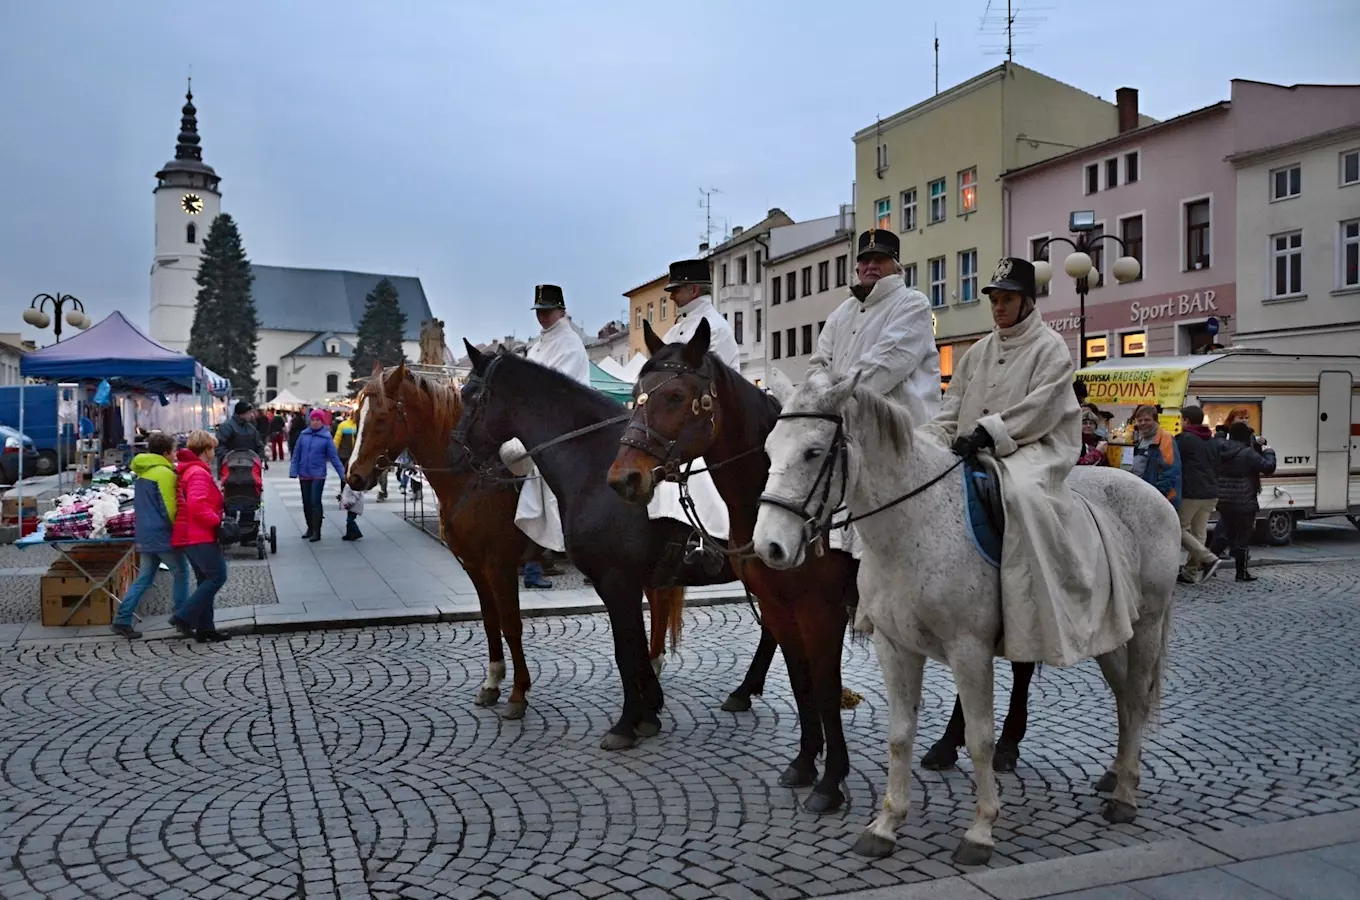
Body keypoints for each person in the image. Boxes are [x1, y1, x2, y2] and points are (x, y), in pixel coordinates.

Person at [923, 257, 1140, 666]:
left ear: (1026, 302)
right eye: (995, 300)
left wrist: (990, 431)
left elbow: (1039, 410)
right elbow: (951, 407)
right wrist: (926, 441)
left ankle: (1042, 602)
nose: (999, 307)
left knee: (1021, 493)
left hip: (1036, 448)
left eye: (1007, 299)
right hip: (978, 446)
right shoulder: (978, 351)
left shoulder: (1051, 347)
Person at [505, 284, 592, 589]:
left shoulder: (569, 344)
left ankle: (537, 562)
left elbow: (557, 393)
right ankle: (527, 562)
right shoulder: (539, 344)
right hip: (536, 426)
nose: (542, 317)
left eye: (547, 311)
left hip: (563, 429)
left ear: (561, 310)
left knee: (540, 487)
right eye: (539, 311)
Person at [809, 229, 941, 425]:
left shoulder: (913, 303)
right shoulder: (841, 312)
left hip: (901, 432)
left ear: (896, 267)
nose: (870, 266)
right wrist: (822, 398)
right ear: (857, 269)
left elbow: (885, 364)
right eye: (865, 260)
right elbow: (819, 364)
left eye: (879, 259)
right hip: (847, 428)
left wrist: (833, 399)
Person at [111, 433, 191, 639]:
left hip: (145, 534)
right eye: (173, 452)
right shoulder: (165, 474)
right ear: (165, 453)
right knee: (181, 574)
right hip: (163, 535)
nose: (175, 456)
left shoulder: (142, 473)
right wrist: (181, 533)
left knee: (144, 578)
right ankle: (182, 618)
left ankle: (122, 619)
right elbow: (170, 508)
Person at [171, 430, 230, 643]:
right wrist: (216, 521)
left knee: (205, 579)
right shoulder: (198, 472)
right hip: (198, 535)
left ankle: (206, 630)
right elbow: (197, 505)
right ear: (206, 450)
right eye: (213, 448)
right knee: (217, 575)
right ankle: (184, 616)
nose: (214, 452)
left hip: (191, 535)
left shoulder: (191, 470)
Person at [1217, 421, 1276, 582]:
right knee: (1243, 535)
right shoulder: (1248, 453)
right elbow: (1268, 467)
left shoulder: (1221, 448)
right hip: (1244, 500)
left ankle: (1208, 564)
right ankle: (1241, 573)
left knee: (1225, 533)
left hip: (1223, 498)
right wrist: (1268, 451)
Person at [661, 258, 741, 365]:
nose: (671, 297)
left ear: (694, 290)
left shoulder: (716, 329)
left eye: (676, 291)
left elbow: (711, 378)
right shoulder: (672, 333)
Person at [1175, 405, 1222, 584]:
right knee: (1199, 532)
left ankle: (1208, 558)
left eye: (1181, 419)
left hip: (1192, 491)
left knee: (1179, 529)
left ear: (1186, 420)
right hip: (1211, 492)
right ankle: (1190, 572)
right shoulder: (1212, 440)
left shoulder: (1185, 439)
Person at [290, 409, 346, 541]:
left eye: (318, 420)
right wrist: (293, 470)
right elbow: (296, 454)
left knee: (315, 501)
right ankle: (309, 527)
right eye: (313, 420)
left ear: (322, 422)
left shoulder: (326, 438)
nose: (315, 423)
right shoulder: (303, 435)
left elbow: (334, 458)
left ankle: (317, 530)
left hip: (318, 474)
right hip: (304, 473)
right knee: (306, 502)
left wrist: (342, 474)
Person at [1130, 405, 1181, 508]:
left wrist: (1158, 495)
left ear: (1156, 421)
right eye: (1140, 421)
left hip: (1157, 498)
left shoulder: (1165, 438)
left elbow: (1171, 471)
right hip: (1142, 495)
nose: (1143, 423)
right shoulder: (1142, 440)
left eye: (1147, 420)